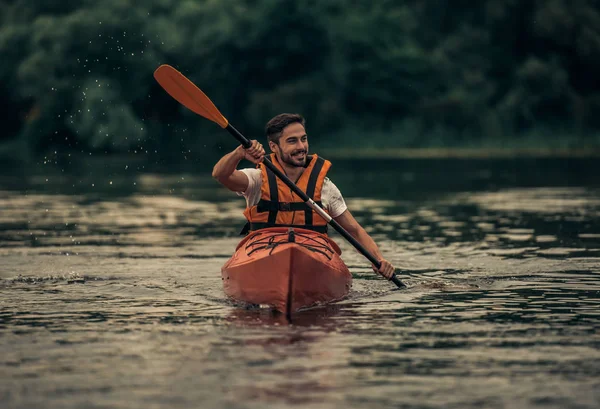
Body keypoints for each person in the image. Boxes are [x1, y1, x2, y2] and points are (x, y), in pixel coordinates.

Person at [212, 113, 396, 280]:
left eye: (304, 139)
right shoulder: (257, 179)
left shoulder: (326, 187)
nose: (301, 147)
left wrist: (378, 260)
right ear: (274, 146)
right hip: (262, 250)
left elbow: (354, 230)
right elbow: (221, 175)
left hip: (314, 252)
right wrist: (239, 154)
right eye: (292, 141)